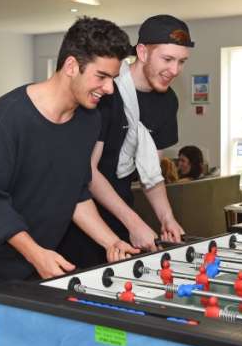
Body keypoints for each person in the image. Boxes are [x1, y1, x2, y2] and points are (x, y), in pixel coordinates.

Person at [0, 17, 139, 346]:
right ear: (70, 66)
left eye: (113, 78)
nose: (109, 88)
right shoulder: (8, 118)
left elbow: (76, 192)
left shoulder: (88, 121)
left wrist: (109, 239)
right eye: (101, 76)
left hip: (30, 258)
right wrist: (36, 253)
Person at [58, 14, 192, 268]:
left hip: (120, 213)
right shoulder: (106, 92)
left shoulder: (168, 101)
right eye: (167, 59)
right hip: (80, 219)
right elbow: (88, 172)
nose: (174, 70)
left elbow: (152, 173)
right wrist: (135, 223)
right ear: (142, 52)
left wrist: (166, 218)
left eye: (181, 62)